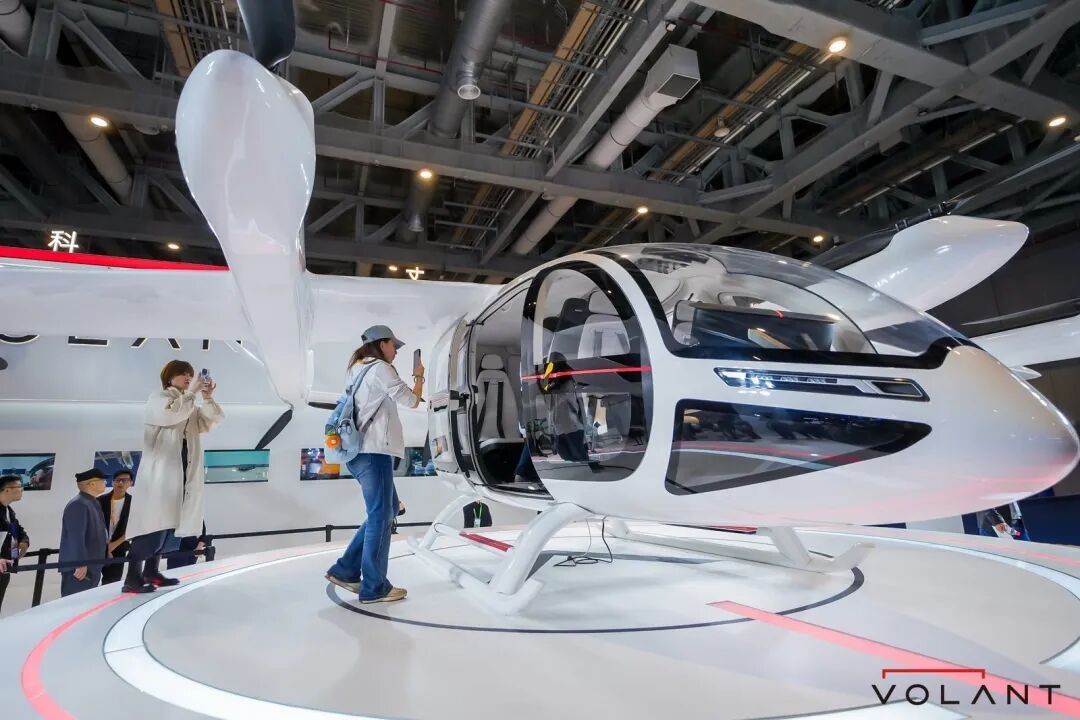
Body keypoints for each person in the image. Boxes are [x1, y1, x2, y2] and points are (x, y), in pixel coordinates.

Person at [325, 325, 424, 603]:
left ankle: (345, 570)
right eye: (394, 345)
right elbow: (412, 401)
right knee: (380, 517)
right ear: (382, 344)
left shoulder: (356, 368)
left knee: (387, 510)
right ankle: (374, 587)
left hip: (356, 452)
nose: (396, 351)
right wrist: (419, 376)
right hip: (374, 452)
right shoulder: (380, 368)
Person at [122, 360, 223, 594]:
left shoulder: (189, 404)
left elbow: (209, 422)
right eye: (182, 374)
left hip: (183, 473)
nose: (188, 378)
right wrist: (191, 393)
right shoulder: (159, 398)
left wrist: (207, 398)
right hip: (161, 475)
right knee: (152, 525)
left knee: (168, 526)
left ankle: (151, 571)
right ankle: (132, 577)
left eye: (190, 374)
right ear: (169, 377)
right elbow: (170, 415)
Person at [59, 469, 109, 597]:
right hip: (81, 569)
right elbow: (75, 536)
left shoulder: (92, 502)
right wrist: (80, 563)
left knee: (86, 602)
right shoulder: (78, 504)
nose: (105, 483)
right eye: (102, 480)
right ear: (92, 484)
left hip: (92, 565)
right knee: (75, 603)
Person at [97, 470, 134, 585]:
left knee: (111, 582)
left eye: (125, 480)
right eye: (118, 480)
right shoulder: (100, 500)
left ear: (131, 483)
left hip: (119, 547)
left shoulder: (133, 503)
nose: (121, 483)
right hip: (98, 545)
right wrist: (105, 545)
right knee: (91, 581)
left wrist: (112, 546)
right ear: (112, 482)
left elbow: (133, 528)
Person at [0, 474, 29, 613]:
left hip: (4, 568)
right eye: (19, 487)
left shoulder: (8, 511)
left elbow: (18, 531)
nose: (22, 490)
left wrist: (24, 543)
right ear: (7, 490)